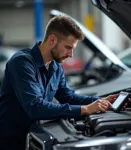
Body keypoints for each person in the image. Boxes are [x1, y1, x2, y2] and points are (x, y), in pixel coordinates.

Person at [0, 15, 118, 150]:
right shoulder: (21, 63)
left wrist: (100, 101)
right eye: (68, 47)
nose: (71, 54)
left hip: (35, 137)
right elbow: (35, 107)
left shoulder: (55, 67)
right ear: (52, 40)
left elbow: (68, 96)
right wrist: (85, 109)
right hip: (12, 141)